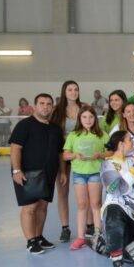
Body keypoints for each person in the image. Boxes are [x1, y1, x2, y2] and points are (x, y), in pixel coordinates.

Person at [9, 94, 65, 254]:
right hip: (27, 173)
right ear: (35, 106)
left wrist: (62, 171)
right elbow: (15, 148)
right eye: (42, 103)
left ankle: (39, 236)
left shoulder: (55, 128)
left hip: (48, 173)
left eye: (49, 104)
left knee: (42, 206)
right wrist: (16, 170)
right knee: (30, 207)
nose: (45, 107)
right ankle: (30, 241)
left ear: (52, 107)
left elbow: (60, 153)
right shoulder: (24, 125)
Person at [100, 131, 134, 267]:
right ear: (121, 144)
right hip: (119, 211)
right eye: (130, 140)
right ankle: (115, 253)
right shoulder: (107, 164)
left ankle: (116, 245)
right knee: (113, 209)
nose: (133, 143)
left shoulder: (131, 160)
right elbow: (117, 189)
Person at [63, 107, 111, 250]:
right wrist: (74, 155)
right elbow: (65, 154)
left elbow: (111, 151)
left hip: (95, 173)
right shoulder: (73, 135)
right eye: (84, 117)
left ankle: (98, 235)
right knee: (82, 205)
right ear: (79, 119)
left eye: (91, 117)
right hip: (79, 174)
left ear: (95, 119)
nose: (88, 120)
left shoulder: (101, 134)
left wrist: (100, 155)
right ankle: (81, 237)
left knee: (95, 204)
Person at [51, 80, 82, 242]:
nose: (73, 92)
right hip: (64, 156)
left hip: (81, 155)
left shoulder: (83, 107)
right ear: (64, 92)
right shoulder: (57, 111)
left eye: (76, 89)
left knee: (84, 192)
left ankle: (89, 225)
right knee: (63, 192)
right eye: (70, 89)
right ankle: (65, 228)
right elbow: (55, 134)